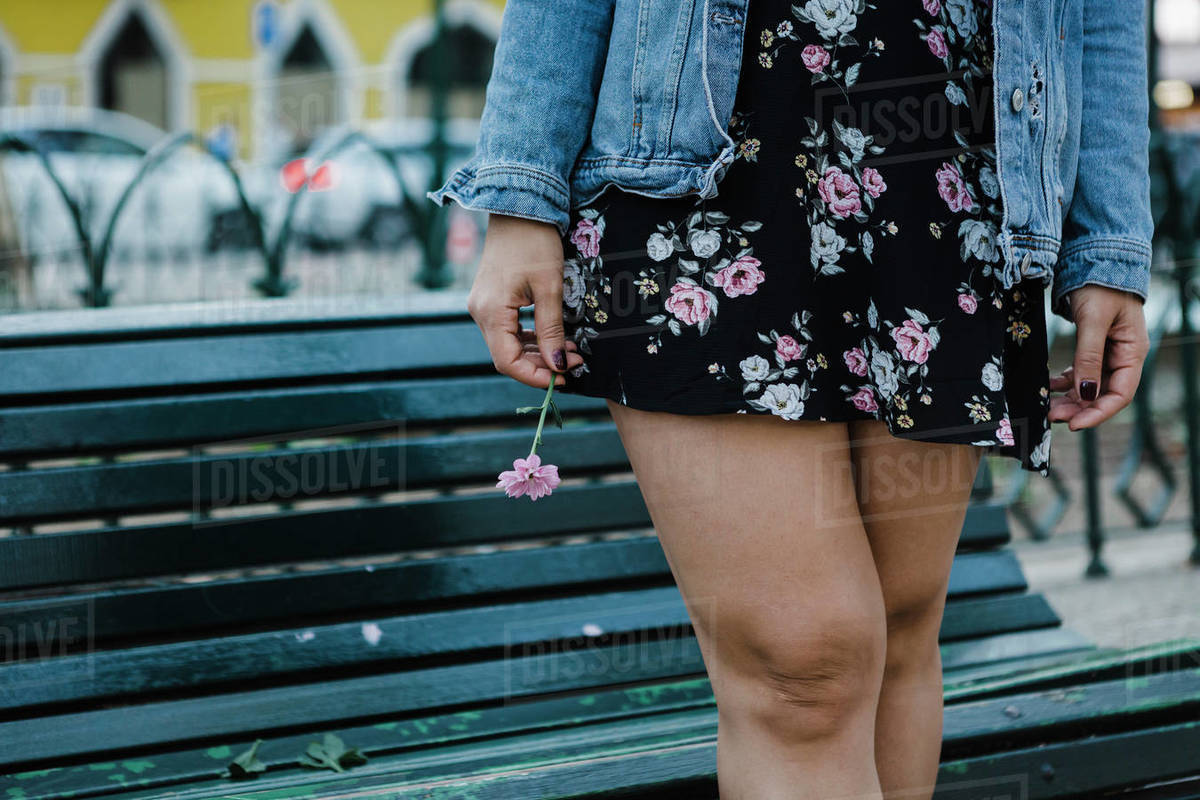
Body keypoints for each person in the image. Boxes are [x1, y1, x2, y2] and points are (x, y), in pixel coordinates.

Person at [428, 1, 1152, 797]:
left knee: (900, 630)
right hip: (702, 167)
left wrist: (1108, 245)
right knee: (804, 665)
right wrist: (521, 192)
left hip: (950, 167)